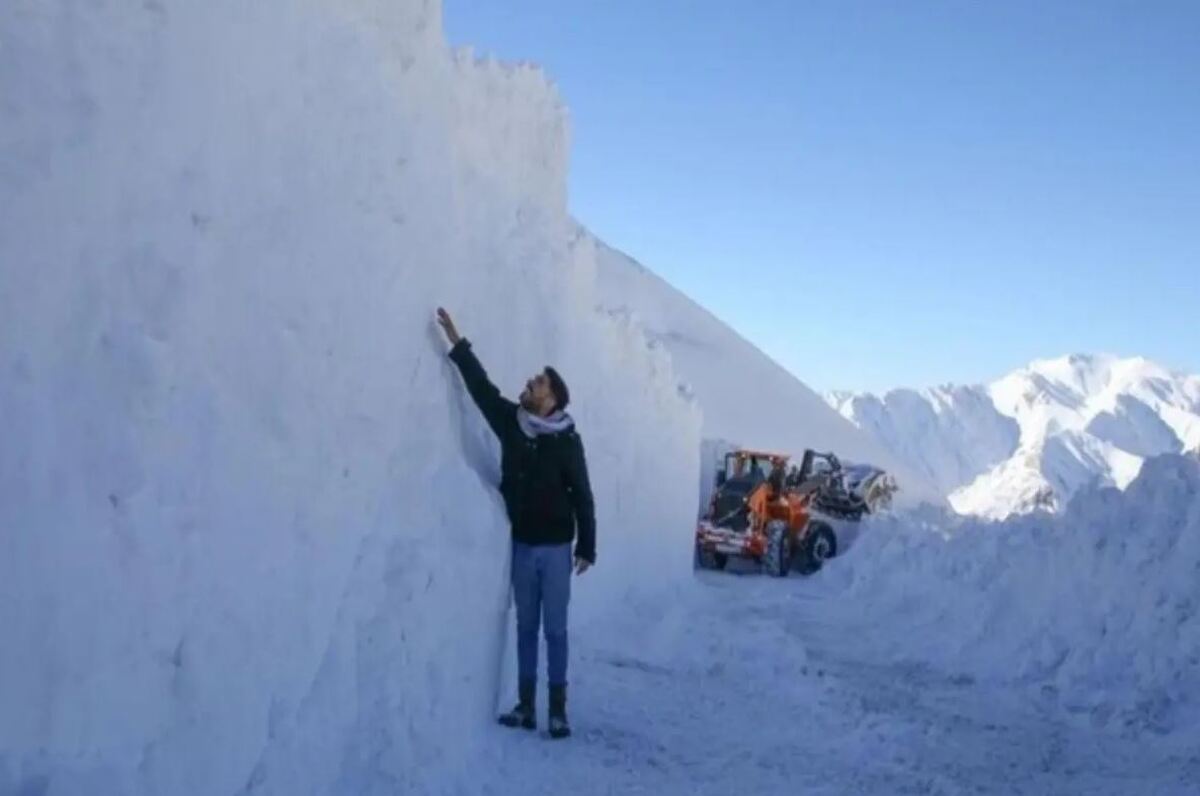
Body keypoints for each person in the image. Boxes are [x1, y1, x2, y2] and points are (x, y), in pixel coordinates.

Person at [436, 307, 596, 740]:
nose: (528, 385)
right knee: (526, 627)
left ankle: (557, 710)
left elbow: (582, 494)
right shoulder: (513, 423)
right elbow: (482, 391)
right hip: (523, 546)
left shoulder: (566, 442)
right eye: (531, 382)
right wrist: (457, 342)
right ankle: (526, 707)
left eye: (537, 384)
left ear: (552, 399)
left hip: (558, 549)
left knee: (555, 629)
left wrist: (587, 547)